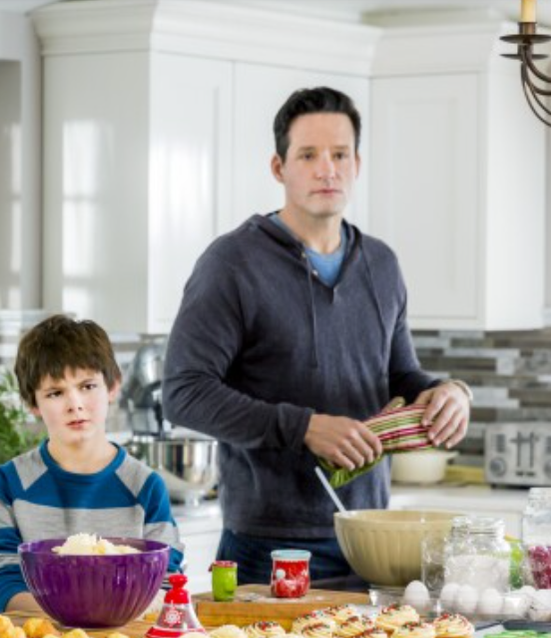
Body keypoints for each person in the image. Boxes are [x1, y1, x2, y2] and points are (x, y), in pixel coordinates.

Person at [162, 87, 471, 585]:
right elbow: (183, 392)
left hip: (372, 539)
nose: (327, 169)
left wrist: (447, 392)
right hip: (269, 545)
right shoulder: (232, 263)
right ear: (278, 167)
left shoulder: (382, 264)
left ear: (357, 164)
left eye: (339, 154)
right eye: (308, 155)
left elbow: (399, 375)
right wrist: (304, 427)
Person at [0, 314, 184, 613]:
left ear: (113, 387)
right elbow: (4, 580)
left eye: (87, 386)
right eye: (56, 393)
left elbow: (165, 584)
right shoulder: (11, 483)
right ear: (33, 404)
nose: (75, 404)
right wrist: (82, 619)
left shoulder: (145, 486)